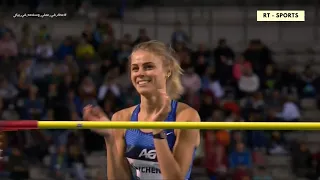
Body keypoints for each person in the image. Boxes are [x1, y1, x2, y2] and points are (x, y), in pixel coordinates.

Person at [83, 40, 200, 180]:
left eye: (148, 67)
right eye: (135, 68)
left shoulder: (186, 116)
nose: (140, 73)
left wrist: (157, 129)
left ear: (167, 70)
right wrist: (109, 137)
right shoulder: (121, 118)